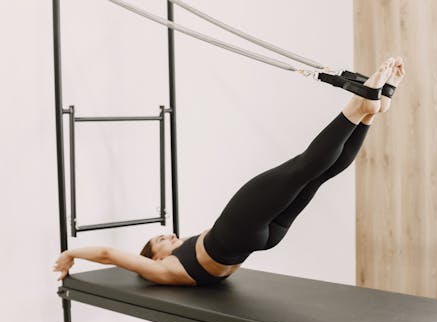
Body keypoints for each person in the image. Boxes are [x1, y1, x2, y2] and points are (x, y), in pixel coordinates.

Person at [53, 57, 406, 286]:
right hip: (239, 235)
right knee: (302, 169)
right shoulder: (163, 270)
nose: (170, 235)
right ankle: (358, 104)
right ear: (155, 257)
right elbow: (110, 255)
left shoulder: (179, 260)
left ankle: (370, 112)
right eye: (162, 240)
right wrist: (72, 254)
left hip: (260, 238)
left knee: (317, 175)